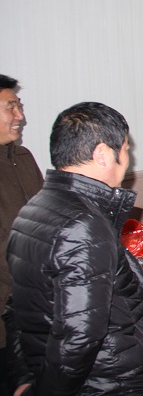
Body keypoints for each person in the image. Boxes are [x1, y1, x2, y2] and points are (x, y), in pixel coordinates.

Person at [3, 102, 143, 395]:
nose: (128, 159)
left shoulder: (32, 211)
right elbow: (79, 337)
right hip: (107, 382)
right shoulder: (84, 224)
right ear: (103, 154)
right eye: (125, 149)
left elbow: (16, 310)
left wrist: (24, 378)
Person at [0, 75, 44, 396]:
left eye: (20, 106)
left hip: (35, 308)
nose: (20, 116)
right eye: (11, 107)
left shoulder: (24, 158)